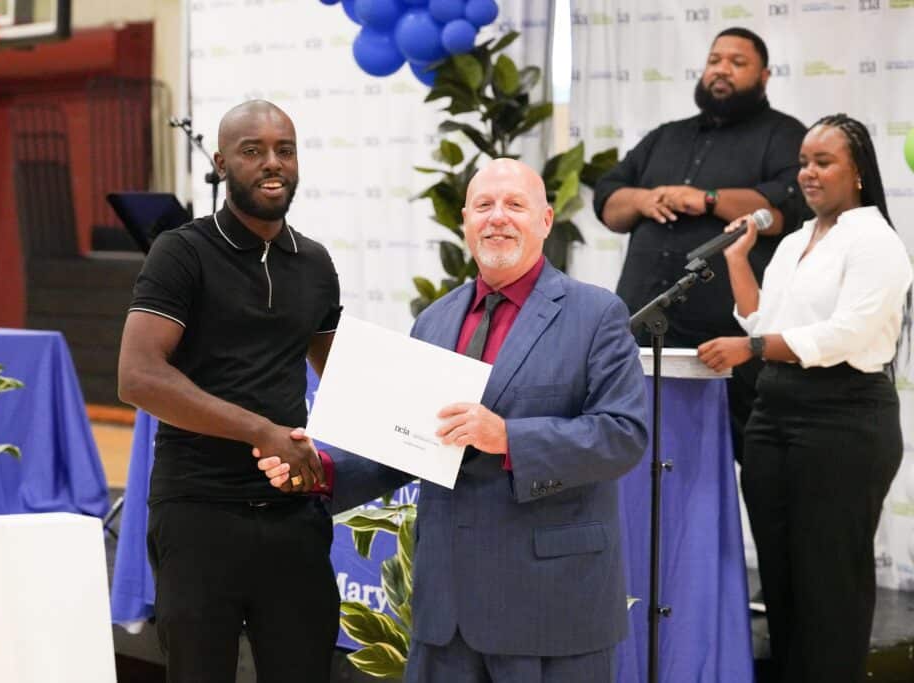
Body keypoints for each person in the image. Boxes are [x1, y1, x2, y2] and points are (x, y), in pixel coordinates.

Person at [256, 158, 650, 683]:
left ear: (546, 220)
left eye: (515, 205)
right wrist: (322, 470)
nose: (498, 218)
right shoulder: (435, 320)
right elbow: (410, 444)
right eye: (484, 205)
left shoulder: (597, 313)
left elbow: (623, 436)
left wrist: (506, 437)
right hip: (447, 617)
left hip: (551, 609)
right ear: (464, 220)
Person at [116, 100, 342, 683]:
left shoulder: (315, 263)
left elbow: (343, 375)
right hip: (197, 512)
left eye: (284, 150)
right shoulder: (182, 251)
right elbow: (138, 376)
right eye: (253, 150)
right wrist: (261, 431)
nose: (273, 164)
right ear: (220, 162)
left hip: (293, 519)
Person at [698, 114, 911, 682]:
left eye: (824, 162)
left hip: (842, 421)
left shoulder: (875, 241)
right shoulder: (794, 241)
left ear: (858, 172)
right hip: (775, 415)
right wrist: (738, 261)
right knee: (783, 577)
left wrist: (753, 345)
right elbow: (766, 319)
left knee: (829, 583)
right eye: (803, 163)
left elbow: (847, 334)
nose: (808, 174)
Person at [593, 27, 808, 460]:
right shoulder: (666, 135)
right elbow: (608, 202)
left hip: (726, 340)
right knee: (635, 459)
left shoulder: (782, 134)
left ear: (764, 76)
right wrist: (645, 198)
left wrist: (707, 200)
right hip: (642, 327)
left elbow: (784, 207)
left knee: (752, 461)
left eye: (736, 62)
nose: (721, 70)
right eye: (715, 60)